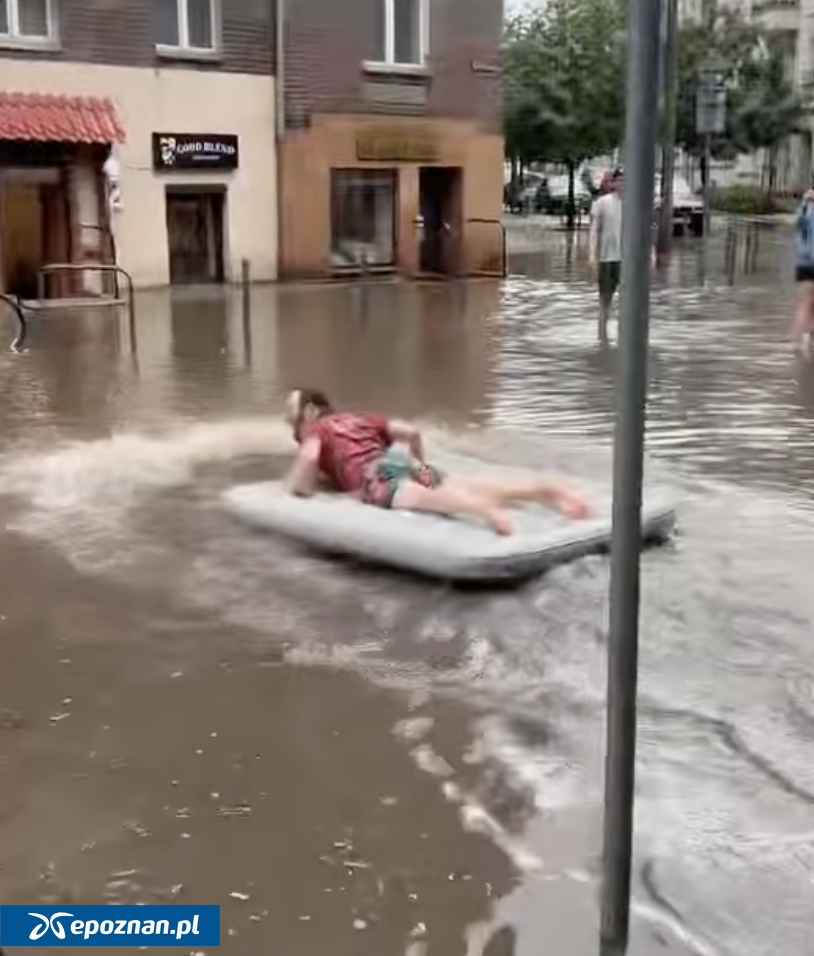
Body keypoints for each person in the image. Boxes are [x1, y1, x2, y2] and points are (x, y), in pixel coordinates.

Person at [283, 389, 591, 536]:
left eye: (293, 418)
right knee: (459, 484)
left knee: (419, 497)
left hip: (376, 474)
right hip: (400, 459)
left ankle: (483, 511)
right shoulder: (359, 417)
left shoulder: (317, 429)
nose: (292, 427)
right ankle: (545, 491)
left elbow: (308, 464)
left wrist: (298, 486)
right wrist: (419, 468)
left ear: (309, 414)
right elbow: (411, 431)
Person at [588, 167, 624, 340]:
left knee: (628, 301)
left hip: (628, 260)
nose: (623, 184)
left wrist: (651, 252)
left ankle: (624, 337)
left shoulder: (636, 204)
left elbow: (647, 229)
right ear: (613, 182)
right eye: (620, 180)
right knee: (605, 299)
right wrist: (591, 254)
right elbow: (594, 230)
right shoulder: (602, 203)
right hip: (607, 258)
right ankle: (602, 335)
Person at [792, 184, 814, 357]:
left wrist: (804, 203)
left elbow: (796, 225)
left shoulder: (807, 206)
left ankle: (797, 347)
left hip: (804, 262)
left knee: (804, 306)